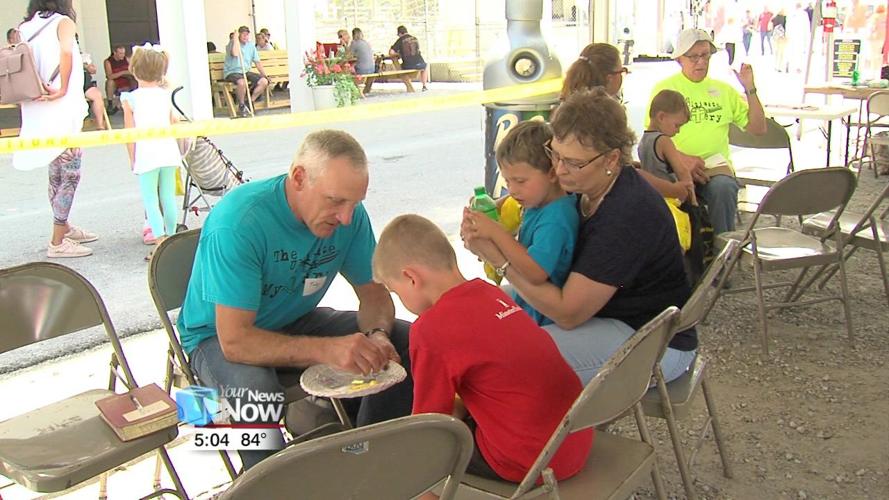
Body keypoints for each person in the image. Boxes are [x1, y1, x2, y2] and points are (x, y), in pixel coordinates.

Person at [177, 129, 413, 470]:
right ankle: (265, 485)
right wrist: (327, 350)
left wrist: (377, 334)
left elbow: (374, 294)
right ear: (299, 177)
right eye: (335, 201)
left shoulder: (350, 217)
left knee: (408, 341)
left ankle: (364, 458)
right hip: (215, 335)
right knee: (256, 394)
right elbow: (235, 343)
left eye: (354, 203)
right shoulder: (239, 222)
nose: (346, 217)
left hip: (293, 319)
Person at [462, 88, 697, 386]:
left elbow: (567, 313)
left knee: (509, 357)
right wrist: (494, 212)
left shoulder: (626, 213)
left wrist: (495, 256)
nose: (558, 170)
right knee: (479, 317)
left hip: (653, 340)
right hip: (609, 317)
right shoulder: (587, 185)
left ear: (612, 159)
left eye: (573, 162)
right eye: (555, 155)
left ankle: (518, 430)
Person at [372, 214, 592, 484]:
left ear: (411, 278)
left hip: (529, 462)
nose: (400, 300)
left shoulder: (429, 329)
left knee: (399, 450)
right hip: (575, 440)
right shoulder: (491, 293)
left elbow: (430, 424)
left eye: (395, 292)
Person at [648, 29, 766, 236]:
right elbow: (651, 135)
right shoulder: (664, 88)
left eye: (705, 55)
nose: (700, 62)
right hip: (673, 167)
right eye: (693, 57)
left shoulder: (724, 90)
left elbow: (758, 128)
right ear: (679, 59)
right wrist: (680, 159)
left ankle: (724, 251)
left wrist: (750, 88)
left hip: (715, 170)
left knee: (724, 188)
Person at [466, 121, 577, 326]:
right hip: (528, 305)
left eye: (520, 181)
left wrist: (496, 233)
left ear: (552, 173)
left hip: (543, 320)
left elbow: (536, 273)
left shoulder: (556, 219)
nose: (513, 190)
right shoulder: (537, 202)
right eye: (508, 182)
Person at [13, 0, 96, 258]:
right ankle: (58, 240)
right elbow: (66, 53)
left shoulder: (24, 28)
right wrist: (61, 88)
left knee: (55, 170)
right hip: (61, 108)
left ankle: (65, 226)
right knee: (71, 173)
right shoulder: (64, 23)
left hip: (36, 107)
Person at [120, 44, 180, 261]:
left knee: (150, 199)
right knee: (168, 197)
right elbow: (174, 121)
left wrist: (132, 157)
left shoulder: (130, 98)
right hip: (168, 150)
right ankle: (172, 238)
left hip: (146, 152)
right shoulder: (165, 95)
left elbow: (130, 133)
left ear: (134, 70)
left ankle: (160, 241)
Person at [637, 89, 696, 203]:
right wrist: (692, 199)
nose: (678, 131)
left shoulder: (644, 140)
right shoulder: (664, 141)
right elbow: (682, 171)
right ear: (661, 117)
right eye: (677, 125)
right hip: (669, 198)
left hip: (649, 195)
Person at [224, 25, 269, 118]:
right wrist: (235, 39)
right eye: (243, 34)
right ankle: (241, 105)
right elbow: (235, 53)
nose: (245, 37)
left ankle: (250, 101)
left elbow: (257, 62)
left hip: (245, 71)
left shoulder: (251, 46)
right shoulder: (232, 43)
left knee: (264, 81)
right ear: (239, 35)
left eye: (247, 34)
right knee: (242, 82)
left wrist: (264, 75)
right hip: (233, 71)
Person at [560, 43, 625, 99]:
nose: (622, 76)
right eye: (621, 71)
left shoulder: (565, 106)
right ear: (609, 79)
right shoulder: (606, 112)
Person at [390, 25, 427, 91]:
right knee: (424, 68)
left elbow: (391, 52)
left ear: (400, 33)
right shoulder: (415, 38)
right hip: (420, 62)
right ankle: (424, 86)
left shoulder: (400, 40)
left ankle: (409, 86)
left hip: (409, 64)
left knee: (399, 69)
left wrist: (399, 54)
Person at [104, 44, 137, 113]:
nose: (122, 55)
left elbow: (133, 71)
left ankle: (118, 106)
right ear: (115, 53)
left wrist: (129, 73)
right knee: (109, 82)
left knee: (134, 82)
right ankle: (110, 104)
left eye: (123, 53)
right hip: (115, 81)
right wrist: (123, 72)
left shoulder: (127, 59)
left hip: (127, 80)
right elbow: (109, 76)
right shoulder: (108, 61)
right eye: (120, 53)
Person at [772, 9, 788, 73]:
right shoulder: (785, 18)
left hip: (776, 37)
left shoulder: (775, 18)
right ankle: (780, 66)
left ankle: (776, 65)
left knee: (777, 52)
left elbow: (771, 26)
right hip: (782, 37)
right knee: (782, 53)